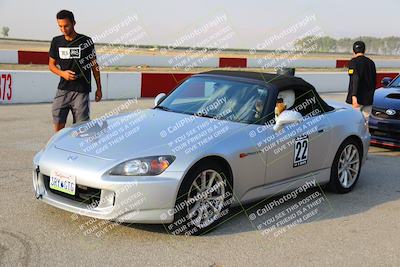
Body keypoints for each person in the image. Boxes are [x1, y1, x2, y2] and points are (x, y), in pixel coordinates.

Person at [49, 10, 102, 132]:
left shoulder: (86, 41)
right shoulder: (56, 41)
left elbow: (94, 66)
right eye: (60, 26)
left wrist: (99, 88)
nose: (63, 29)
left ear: (74, 23)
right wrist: (63, 73)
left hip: (81, 91)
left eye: (66, 25)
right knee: (58, 123)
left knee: (81, 129)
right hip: (62, 90)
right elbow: (51, 65)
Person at [345, 41, 376, 119]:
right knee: (366, 122)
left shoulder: (353, 62)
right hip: (369, 99)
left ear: (353, 51)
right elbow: (374, 81)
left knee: (354, 122)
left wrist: (354, 96)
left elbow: (355, 78)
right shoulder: (371, 63)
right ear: (364, 50)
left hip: (357, 100)